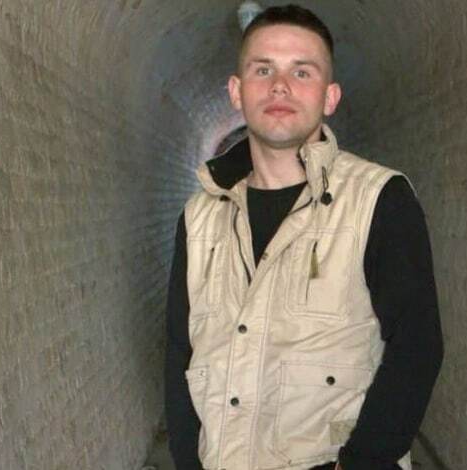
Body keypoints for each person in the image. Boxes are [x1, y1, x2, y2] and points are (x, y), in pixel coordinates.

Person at [164, 5, 443, 470]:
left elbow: (417, 347)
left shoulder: (379, 200)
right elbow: (180, 353)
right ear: (236, 91)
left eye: (302, 71)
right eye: (263, 69)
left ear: (330, 97)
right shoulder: (198, 219)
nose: (280, 86)